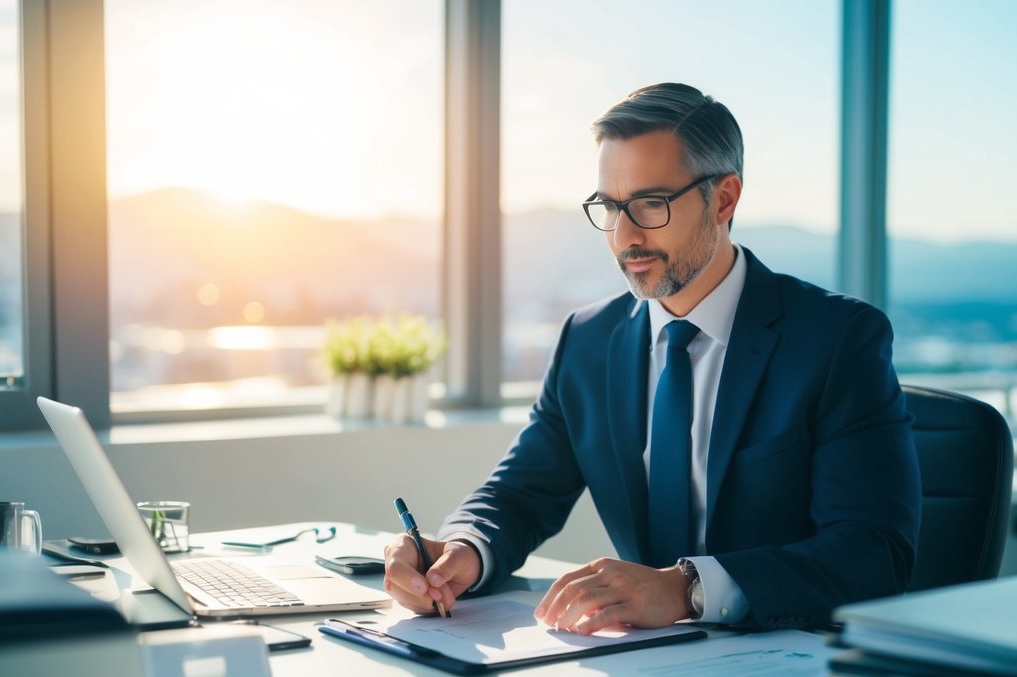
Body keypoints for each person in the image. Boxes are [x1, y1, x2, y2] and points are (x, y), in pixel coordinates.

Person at [383, 82, 921, 632]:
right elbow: (522, 491)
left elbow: (873, 553)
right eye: (610, 207)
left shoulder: (835, 340)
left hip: (792, 663)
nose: (625, 235)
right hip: (642, 666)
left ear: (724, 199)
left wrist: (687, 589)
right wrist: (462, 550)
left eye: (649, 204)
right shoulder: (587, 341)